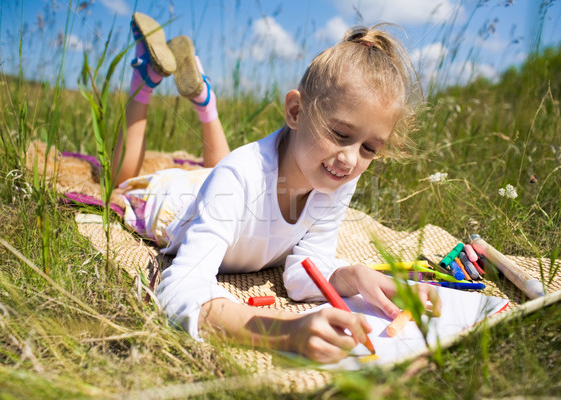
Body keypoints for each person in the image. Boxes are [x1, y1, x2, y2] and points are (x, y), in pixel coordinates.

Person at [112, 12, 441, 363]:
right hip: (169, 201)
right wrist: (285, 330)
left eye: (369, 148)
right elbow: (177, 291)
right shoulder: (238, 177)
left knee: (220, 172)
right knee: (122, 181)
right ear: (296, 111)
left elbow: (304, 270)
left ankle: (205, 100)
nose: (349, 159)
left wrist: (354, 277)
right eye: (340, 135)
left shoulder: (337, 177)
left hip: (220, 185)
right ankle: (145, 78)